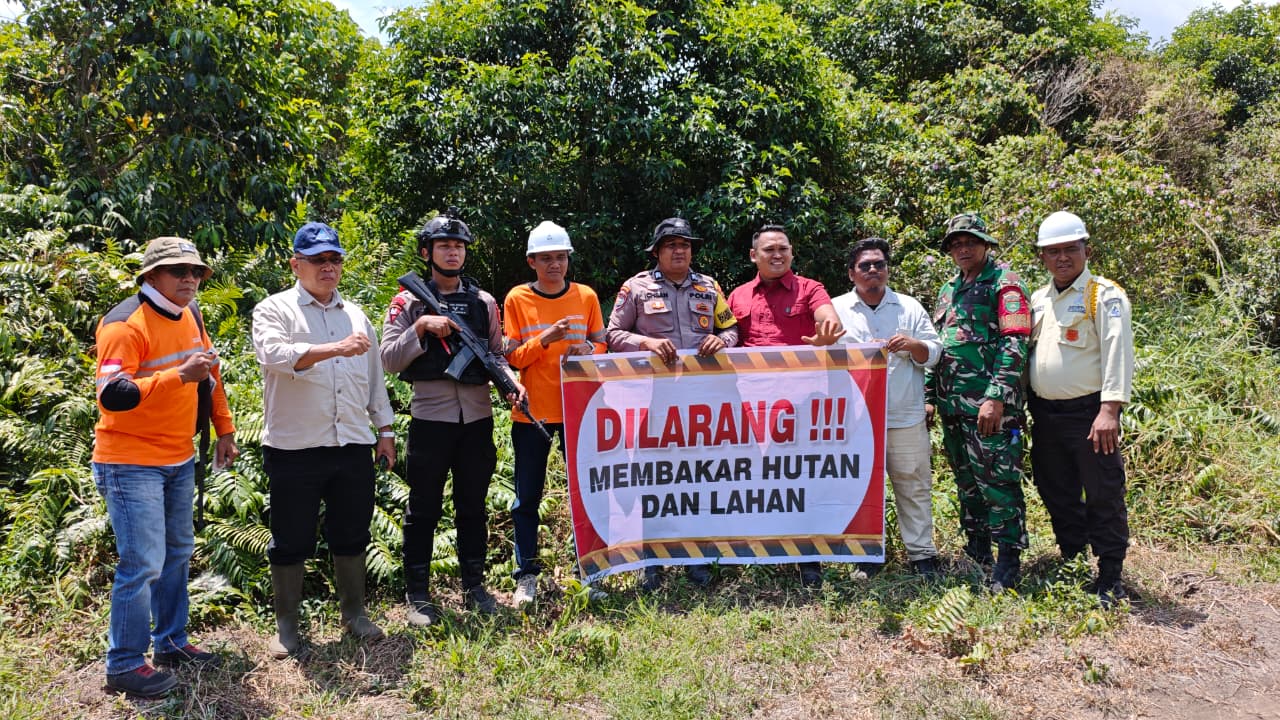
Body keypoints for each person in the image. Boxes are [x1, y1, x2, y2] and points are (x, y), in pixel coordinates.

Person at [92, 236, 238, 697]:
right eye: (179, 271)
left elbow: (209, 373)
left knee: (177, 553)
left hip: (179, 456)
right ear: (150, 275)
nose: (190, 279)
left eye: (195, 272)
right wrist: (177, 376)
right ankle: (125, 664)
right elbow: (111, 396)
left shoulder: (191, 316)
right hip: (130, 462)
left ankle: (171, 641)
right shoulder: (124, 325)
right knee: (143, 562)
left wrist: (225, 427)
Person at [251, 222, 395, 658]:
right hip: (294, 446)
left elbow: (374, 381)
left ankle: (353, 614)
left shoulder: (356, 316)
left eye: (334, 260)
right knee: (291, 537)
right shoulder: (274, 310)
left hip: (351, 442)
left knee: (351, 531)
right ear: (296, 264)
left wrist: (384, 431)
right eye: (317, 260)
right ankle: (287, 629)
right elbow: (273, 356)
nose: (328, 268)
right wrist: (332, 349)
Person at [381, 209, 525, 624]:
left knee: (472, 506)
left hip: (477, 418)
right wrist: (422, 327)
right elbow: (389, 358)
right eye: (444, 246)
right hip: (431, 417)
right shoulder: (407, 302)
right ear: (427, 252)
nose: (452, 253)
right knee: (423, 507)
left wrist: (513, 382)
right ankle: (418, 594)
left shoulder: (483, 302)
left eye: (458, 246)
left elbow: (496, 353)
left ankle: (474, 587)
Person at [606, 216, 739, 589]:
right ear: (657, 252)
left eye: (685, 244)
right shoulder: (636, 288)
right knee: (656, 479)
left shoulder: (709, 287)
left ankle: (696, 559)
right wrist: (646, 343)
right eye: (671, 245)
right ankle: (654, 563)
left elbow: (730, 328)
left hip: (700, 402)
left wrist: (722, 341)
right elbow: (612, 333)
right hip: (652, 401)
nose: (679, 250)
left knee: (697, 478)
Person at [726, 223, 844, 587]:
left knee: (801, 479)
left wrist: (828, 331)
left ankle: (809, 560)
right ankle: (757, 553)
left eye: (783, 249)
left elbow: (829, 318)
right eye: (769, 250)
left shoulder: (811, 288)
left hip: (801, 406)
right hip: (751, 408)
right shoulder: (737, 296)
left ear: (792, 253)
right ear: (753, 256)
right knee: (753, 480)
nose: (777, 255)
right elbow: (727, 337)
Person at [1028, 211, 1134, 607]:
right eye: (1053, 251)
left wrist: (1110, 411)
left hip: (1090, 416)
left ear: (1086, 249)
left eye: (1070, 249)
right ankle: (1073, 562)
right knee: (1057, 490)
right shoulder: (1038, 299)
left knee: (1104, 493)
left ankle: (1110, 576)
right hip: (1045, 416)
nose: (1062, 258)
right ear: (1042, 257)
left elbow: (1117, 355)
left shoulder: (1103, 295)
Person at [925, 212, 1031, 592]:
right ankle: (978, 553)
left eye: (969, 241)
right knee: (967, 483)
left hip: (990, 409)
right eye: (956, 243)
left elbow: (1015, 342)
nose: (963, 248)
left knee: (998, 483)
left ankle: (1008, 562)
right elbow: (938, 347)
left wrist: (996, 397)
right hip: (954, 408)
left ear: (986, 244)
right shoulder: (949, 288)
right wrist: (929, 398)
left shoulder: (1005, 284)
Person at [502, 221, 606, 608]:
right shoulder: (517, 299)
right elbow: (511, 357)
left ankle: (589, 572)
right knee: (527, 497)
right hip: (532, 414)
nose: (555, 265)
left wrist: (588, 353)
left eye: (561, 257)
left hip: (579, 410)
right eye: (546, 258)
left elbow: (602, 344)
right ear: (532, 262)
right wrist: (546, 339)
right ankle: (526, 575)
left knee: (585, 494)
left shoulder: (586, 296)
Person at [831, 238, 943, 578]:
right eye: (865, 266)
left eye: (879, 264)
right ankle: (866, 557)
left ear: (887, 269)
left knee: (913, 484)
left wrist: (914, 345)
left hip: (904, 415)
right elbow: (821, 360)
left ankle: (922, 556)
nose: (873, 270)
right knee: (860, 490)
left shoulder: (909, 307)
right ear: (852, 273)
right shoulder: (834, 310)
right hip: (855, 421)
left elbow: (936, 352)